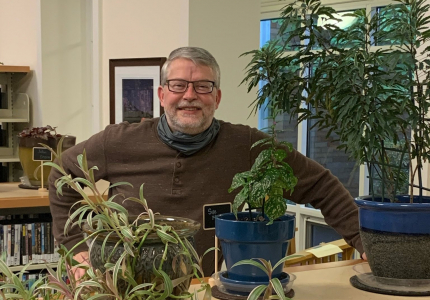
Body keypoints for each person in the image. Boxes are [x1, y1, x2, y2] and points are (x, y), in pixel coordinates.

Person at [49, 46, 365, 280]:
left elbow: (320, 184)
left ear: (217, 98)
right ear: (161, 94)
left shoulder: (246, 145)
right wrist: (78, 248)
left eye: (203, 86)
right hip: (127, 285)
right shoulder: (117, 142)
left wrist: (364, 241)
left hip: (204, 286)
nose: (190, 95)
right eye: (178, 85)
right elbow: (61, 176)